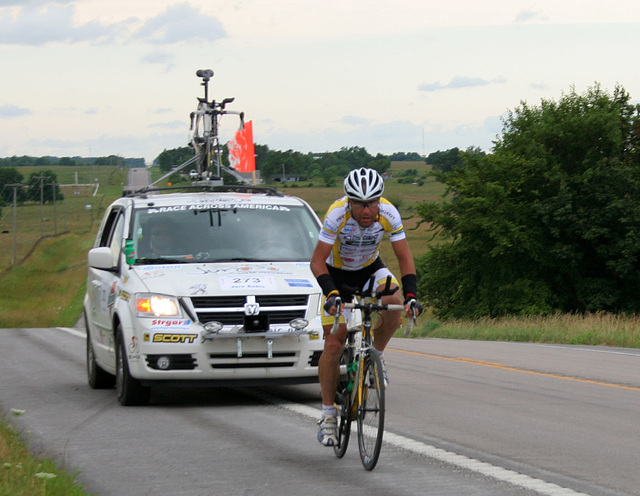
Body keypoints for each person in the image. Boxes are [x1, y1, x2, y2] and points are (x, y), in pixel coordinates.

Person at [310, 167, 423, 447]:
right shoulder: (336, 214)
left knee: (395, 302)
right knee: (334, 345)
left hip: (370, 269)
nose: (366, 210)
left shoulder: (389, 213)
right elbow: (317, 262)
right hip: (336, 275)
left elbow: (405, 258)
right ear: (349, 201)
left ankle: (377, 357)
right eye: (360, 203)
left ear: (379, 201)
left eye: (372, 202)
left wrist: (411, 297)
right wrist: (332, 294)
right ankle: (327, 415)